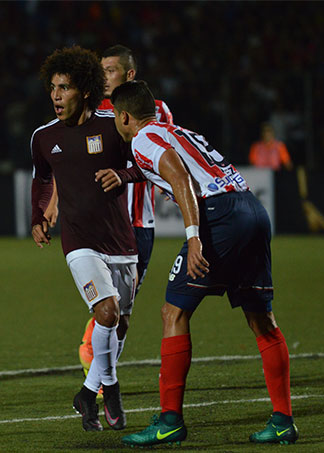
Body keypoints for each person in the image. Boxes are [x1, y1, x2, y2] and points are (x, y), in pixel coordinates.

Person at [94, 80, 297, 447]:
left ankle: (170, 420)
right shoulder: (176, 130)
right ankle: (283, 421)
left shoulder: (141, 140)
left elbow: (179, 177)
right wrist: (124, 175)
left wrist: (193, 235)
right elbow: (168, 166)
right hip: (250, 207)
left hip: (218, 217)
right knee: (261, 318)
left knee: (173, 313)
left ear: (124, 117)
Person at [31, 46, 144, 432]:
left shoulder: (113, 125)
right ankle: (108, 390)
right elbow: (42, 178)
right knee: (107, 313)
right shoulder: (44, 137)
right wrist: (38, 217)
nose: (56, 96)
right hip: (78, 241)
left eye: (64, 88)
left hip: (121, 240)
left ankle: (87, 391)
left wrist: (123, 176)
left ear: (83, 90)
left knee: (122, 324)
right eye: (52, 88)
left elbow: (142, 166)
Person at [76, 45, 174, 380]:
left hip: (139, 225)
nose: (104, 77)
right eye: (100, 70)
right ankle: (99, 375)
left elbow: (167, 156)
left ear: (129, 74)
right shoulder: (92, 112)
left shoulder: (158, 111)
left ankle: (102, 370)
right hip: (104, 222)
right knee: (108, 305)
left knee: (124, 312)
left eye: (111, 70)